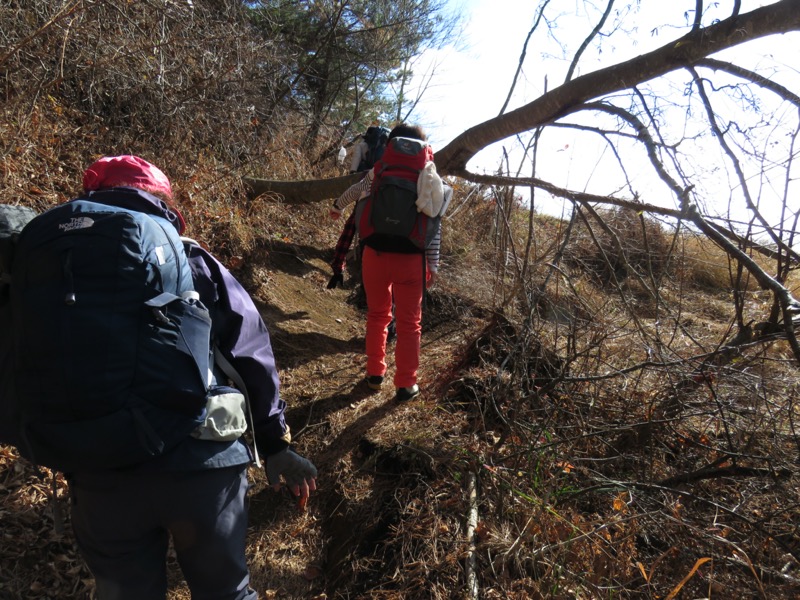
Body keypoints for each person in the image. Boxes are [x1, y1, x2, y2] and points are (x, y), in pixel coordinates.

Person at [65, 155, 317, 600]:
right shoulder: (188, 256)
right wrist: (275, 444)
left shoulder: (58, 261)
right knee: (226, 593)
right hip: (201, 463)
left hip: (100, 468)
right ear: (162, 201)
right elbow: (249, 349)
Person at [330, 124, 444, 402]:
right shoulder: (429, 176)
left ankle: (374, 375)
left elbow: (355, 191)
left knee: (378, 316)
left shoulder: (379, 169)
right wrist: (433, 265)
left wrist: (337, 207)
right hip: (412, 260)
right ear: (423, 147)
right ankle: (406, 384)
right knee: (409, 323)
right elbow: (434, 225)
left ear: (392, 144)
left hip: (375, 255)